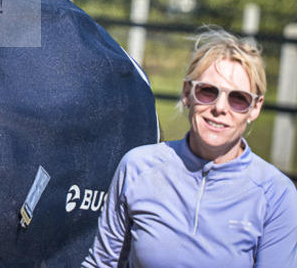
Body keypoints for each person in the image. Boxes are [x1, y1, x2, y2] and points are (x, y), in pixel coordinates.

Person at [82, 28, 297, 267]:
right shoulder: (137, 167)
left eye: (238, 99)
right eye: (207, 91)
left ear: (255, 108)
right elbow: (102, 264)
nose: (219, 108)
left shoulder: (276, 195)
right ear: (187, 92)